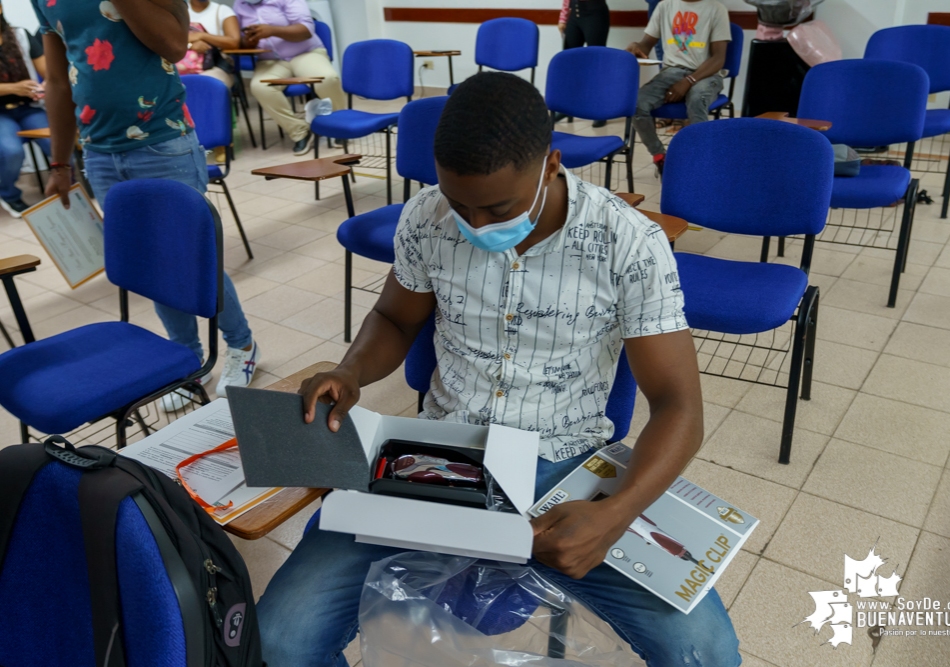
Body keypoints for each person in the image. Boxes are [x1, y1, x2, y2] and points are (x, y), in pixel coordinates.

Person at [256, 72, 741, 667]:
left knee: (708, 653)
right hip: (435, 460)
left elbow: (679, 406)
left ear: (552, 164)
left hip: (562, 466)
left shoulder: (627, 242)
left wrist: (616, 514)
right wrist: (352, 370)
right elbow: (393, 318)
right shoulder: (427, 219)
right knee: (280, 639)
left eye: (498, 207)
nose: (477, 225)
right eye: (460, 203)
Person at [32, 0, 260, 409]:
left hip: (163, 140)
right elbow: (59, 83)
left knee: (190, 256)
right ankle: (187, 357)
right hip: (99, 152)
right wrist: (60, 162)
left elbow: (174, 45)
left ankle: (242, 344)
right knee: (152, 263)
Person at [627, 0, 731, 175]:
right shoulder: (664, 6)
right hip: (672, 72)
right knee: (636, 104)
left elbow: (718, 59)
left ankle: (700, 161)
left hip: (707, 73)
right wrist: (637, 47)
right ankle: (661, 157)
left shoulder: (716, 9)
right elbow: (647, 43)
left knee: (697, 99)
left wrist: (688, 81)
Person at [234, 0, 347, 156]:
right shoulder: (240, 5)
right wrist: (249, 41)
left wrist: (272, 30)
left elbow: (306, 29)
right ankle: (300, 132)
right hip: (270, 60)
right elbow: (240, 39)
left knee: (328, 78)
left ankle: (341, 125)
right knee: (259, 87)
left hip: (305, 53)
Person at [0, 2, 48, 218]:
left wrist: (46, 85)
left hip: (29, 107)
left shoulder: (20, 35)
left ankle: (69, 188)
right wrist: (14, 88)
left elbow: (48, 72)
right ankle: (9, 195)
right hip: (1, 113)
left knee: (58, 144)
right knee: (11, 151)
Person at [557, 0, 610, 128]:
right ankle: (567, 108)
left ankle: (600, 111)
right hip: (575, 13)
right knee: (570, 62)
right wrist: (563, 18)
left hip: (595, 13)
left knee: (596, 63)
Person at [186, 0, 241, 88]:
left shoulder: (223, 11)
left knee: (205, 84)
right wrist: (190, 46)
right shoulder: (180, 11)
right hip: (181, 65)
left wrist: (202, 36)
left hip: (215, 66)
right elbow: (169, 40)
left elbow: (234, 42)